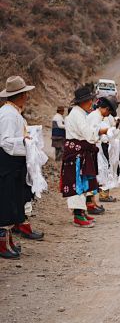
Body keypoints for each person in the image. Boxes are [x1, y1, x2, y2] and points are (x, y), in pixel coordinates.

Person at [0, 76, 40, 259]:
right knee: (6, 202)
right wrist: (24, 141)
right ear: (21, 95)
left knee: (12, 201)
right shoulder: (8, 114)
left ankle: (8, 241)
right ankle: (2, 243)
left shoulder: (13, 112)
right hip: (7, 163)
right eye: (25, 93)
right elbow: (6, 141)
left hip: (14, 162)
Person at [61, 87, 110, 227]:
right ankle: (78, 215)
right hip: (76, 154)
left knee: (82, 183)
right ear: (83, 101)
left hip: (79, 152)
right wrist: (101, 131)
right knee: (77, 183)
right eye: (89, 100)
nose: (91, 102)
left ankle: (81, 212)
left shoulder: (79, 113)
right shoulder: (77, 115)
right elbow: (88, 134)